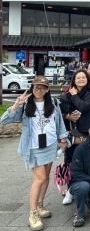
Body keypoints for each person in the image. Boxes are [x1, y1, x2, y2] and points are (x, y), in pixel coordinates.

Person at [1, 77, 69, 231]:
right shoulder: (25, 106)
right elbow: (4, 121)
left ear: (47, 90)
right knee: (40, 179)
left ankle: (40, 205)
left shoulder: (54, 104)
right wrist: (16, 104)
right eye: (36, 87)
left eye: (42, 88)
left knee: (46, 177)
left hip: (50, 145)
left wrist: (63, 140)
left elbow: (59, 124)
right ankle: (32, 214)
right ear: (32, 88)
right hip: (34, 147)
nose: (38, 90)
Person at [60, 69, 90, 205]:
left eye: (83, 77)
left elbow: (83, 107)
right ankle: (70, 191)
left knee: (88, 161)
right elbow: (60, 114)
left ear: (87, 79)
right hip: (71, 133)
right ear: (74, 80)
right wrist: (67, 116)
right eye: (78, 78)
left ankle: (89, 190)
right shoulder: (65, 95)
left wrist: (75, 96)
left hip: (87, 132)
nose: (81, 80)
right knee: (70, 162)